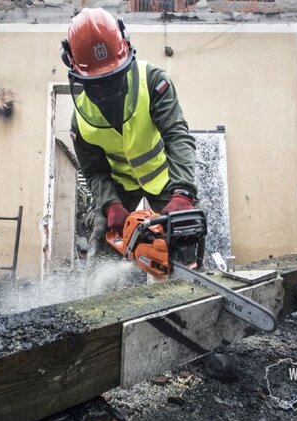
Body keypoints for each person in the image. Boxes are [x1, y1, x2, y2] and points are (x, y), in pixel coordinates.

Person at [61, 8, 198, 254]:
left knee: (186, 235)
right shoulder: (80, 119)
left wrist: (183, 192)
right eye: (97, 83)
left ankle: (192, 280)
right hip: (119, 187)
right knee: (103, 246)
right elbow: (94, 172)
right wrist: (110, 205)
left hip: (166, 179)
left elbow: (176, 136)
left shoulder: (154, 82)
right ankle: (96, 290)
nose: (106, 90)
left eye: (113, 78)